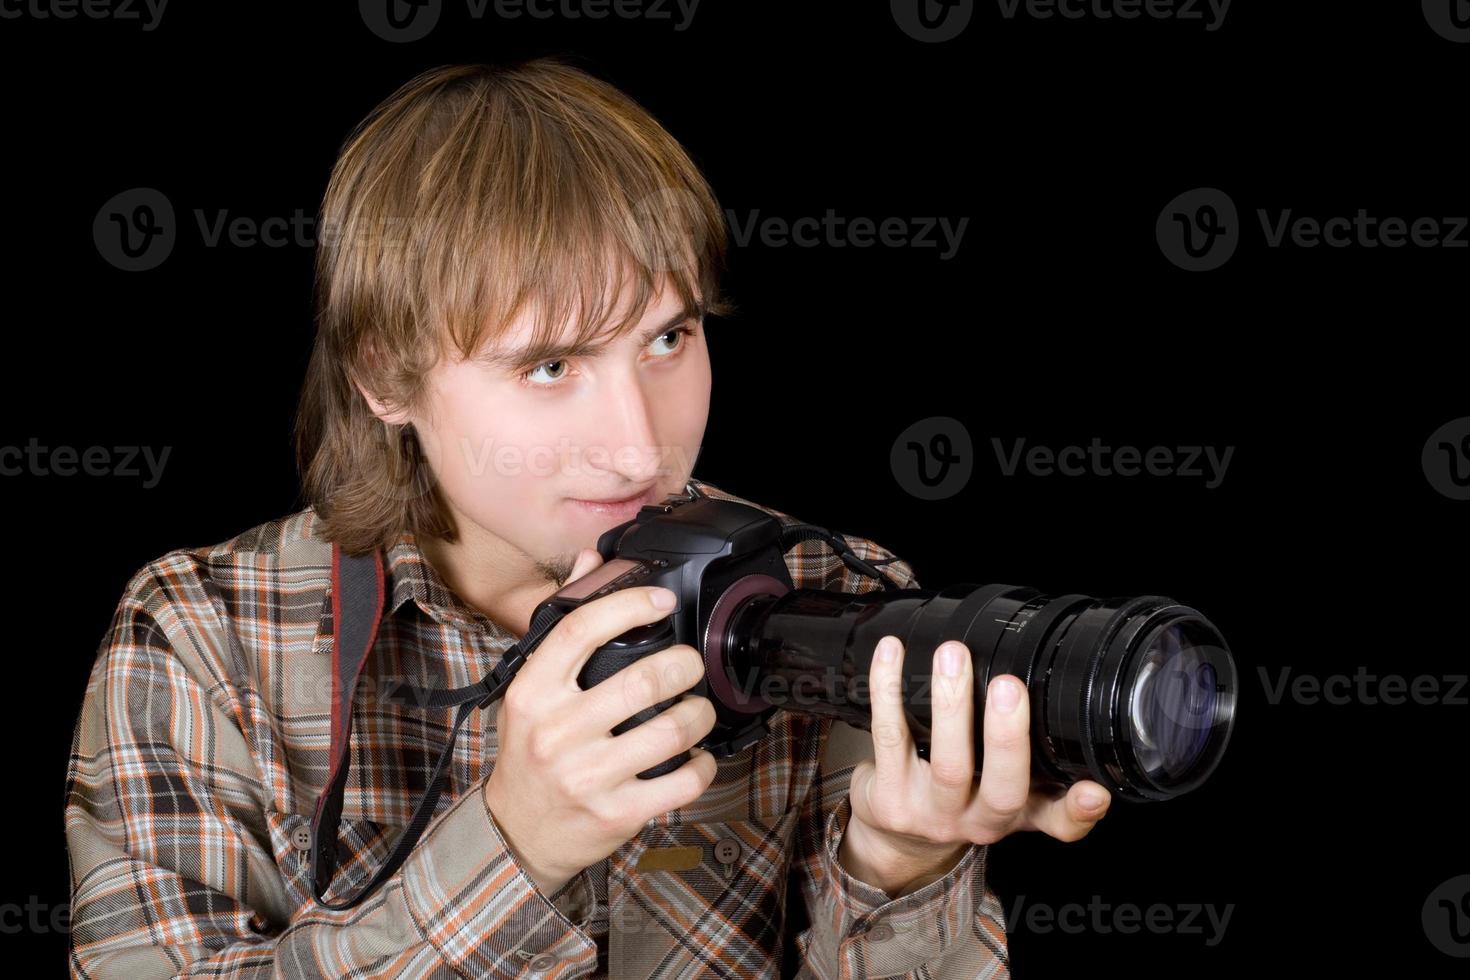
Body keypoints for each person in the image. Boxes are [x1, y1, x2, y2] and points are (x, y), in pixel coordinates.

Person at [63, 58, 1111, 979]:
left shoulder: (830, 593)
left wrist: (898, 870)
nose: (637, 447)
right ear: (385, 374)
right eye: (551, 364)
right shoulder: (204, 635)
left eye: (668, 338)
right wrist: (511, 842)